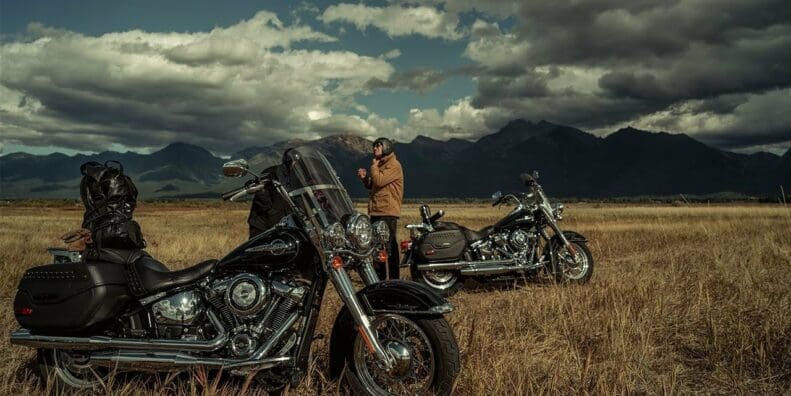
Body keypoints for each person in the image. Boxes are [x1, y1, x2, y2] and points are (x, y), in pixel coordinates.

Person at [357, 138, 404, 280]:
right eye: (374, 146)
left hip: (387, 212)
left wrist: (373, 166)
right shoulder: (381, 165)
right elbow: (374, 185)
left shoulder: (393, 165)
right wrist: (365, 179)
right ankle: (379, 278)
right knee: (377, 247)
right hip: (377, 211)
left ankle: (393, 278)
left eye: (378, 146)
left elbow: (379, 180)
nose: (375, 148)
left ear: (387, 147)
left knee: (388, 248)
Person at [247, 149, 293, 238]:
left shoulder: (302, 177)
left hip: (290, 224)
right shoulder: (272, 173)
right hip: (265, 225)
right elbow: (263, 200)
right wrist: (258, 187)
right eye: (292, 162)